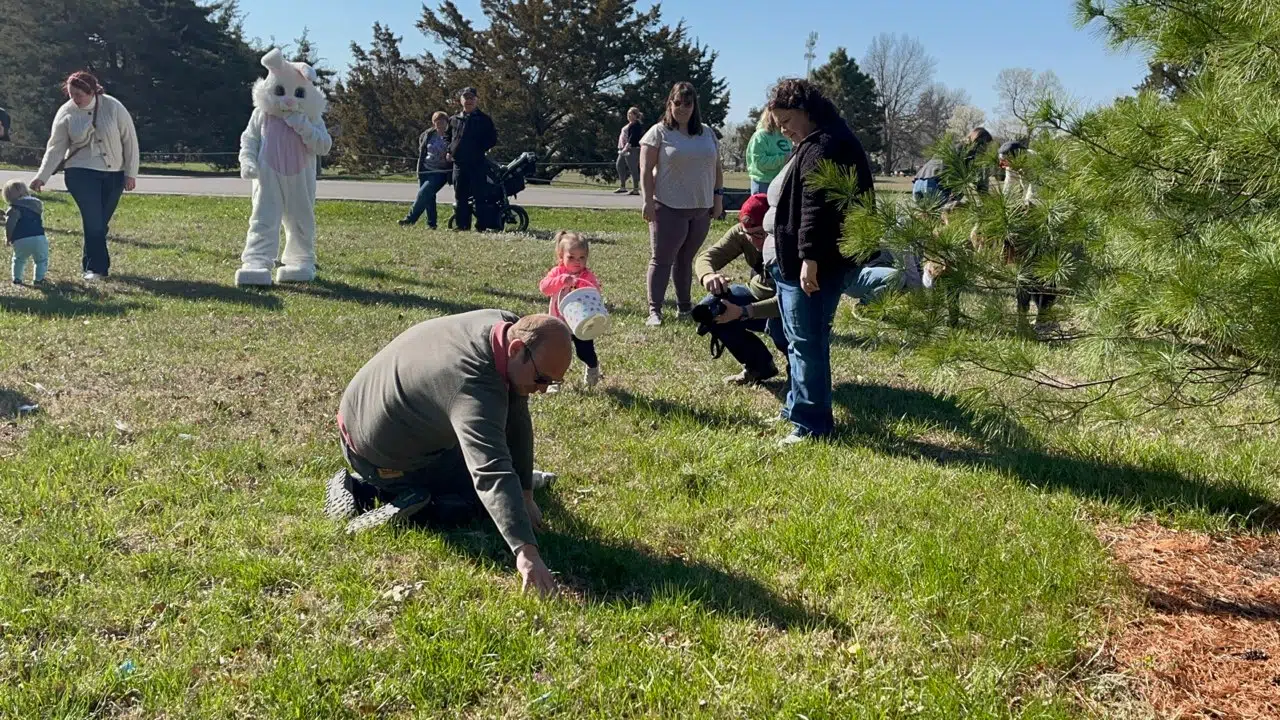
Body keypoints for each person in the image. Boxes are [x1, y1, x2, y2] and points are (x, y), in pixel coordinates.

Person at [327, 310, 573, 597]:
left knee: (505, 488)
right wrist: (526, 552)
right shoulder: (472, 384)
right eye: (542, 379)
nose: (542, 390)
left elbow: (516, 411)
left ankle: (401, 487)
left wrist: (525, 491)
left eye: (551, 383)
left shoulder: (503, 324)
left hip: (368, 421)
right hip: (378, 454)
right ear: (517, 349)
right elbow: (490, 471)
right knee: (476, 502)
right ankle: (366, 492)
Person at [763, 78, 877, 445]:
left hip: (814, 264)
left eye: (786, 121)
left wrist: (809, 258)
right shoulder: (822, 139)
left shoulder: (826, 145)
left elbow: (817, 205)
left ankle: (812, 424)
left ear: (805, 111)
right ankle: (796, 406)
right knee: (798, 340)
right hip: (798, 262)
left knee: (807, 342)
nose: (784, 130)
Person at [30, 71, 138, 281]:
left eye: (79, 94)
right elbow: (55, 147)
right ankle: (96, 269)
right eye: (71, 94)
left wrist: (130, 173)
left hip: (113, 174)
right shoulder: (66, 112)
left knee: (99, 222)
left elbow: (130, 141)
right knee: (93, 221)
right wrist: (42, 175)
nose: (75, 99)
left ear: (92, 92)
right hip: (80, 172)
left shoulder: (113, 106)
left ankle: (92, 264)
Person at [640, 82, 724, 327]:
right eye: (678, 103)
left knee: (686, 259)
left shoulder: (707, 132)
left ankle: (684, 307)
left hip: (701, 208)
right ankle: (654, 311)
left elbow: (717, 167)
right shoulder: (658, 132)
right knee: (662, 259)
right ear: (670, 104)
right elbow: (645, 170)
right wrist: (646, 201)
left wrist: (718, 198)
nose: (683, 108)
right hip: (667, 207)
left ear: (694, 106)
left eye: (688, 104)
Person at [691, 193, 789, 385]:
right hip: (755, 294)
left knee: (782, 328)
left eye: (761, 234)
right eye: (748, 234)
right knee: (712, 310)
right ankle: (759, 366)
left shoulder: (789, 239)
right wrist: (709, 276)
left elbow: (790, 300)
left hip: (787, 305)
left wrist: (744, 312)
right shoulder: (743, 233)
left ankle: (799, 379)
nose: (755, 240)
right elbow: (707, 257)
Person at [538, 231, 604, 390]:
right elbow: (544, 288)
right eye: (571, 257)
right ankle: (554, 381)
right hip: (558, 322)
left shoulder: (587, 276)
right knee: (556, 354)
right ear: (561, 257)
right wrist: (562, 281)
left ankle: (592, 366)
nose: (577, 262)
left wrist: (582, 285)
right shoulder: (556, 273)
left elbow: (595, 292)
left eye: (582, 257)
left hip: (581, 322)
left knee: (584, 351)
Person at [445, 87, 498, 231]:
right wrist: (449, 150)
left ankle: (482, 226)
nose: (468, 101)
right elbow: (448, 137)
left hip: (477, 164)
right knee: (460, 196)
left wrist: (479, 148)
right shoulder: (454, 119)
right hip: (459, 164)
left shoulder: (484, 119)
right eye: (466, 98)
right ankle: (462, 226)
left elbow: (492, 139)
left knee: (480, 196)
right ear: (461, 100)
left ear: (476, 100)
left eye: (471, 98)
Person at [911, 127, 993, 206]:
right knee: (946, 215)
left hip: (918, 182)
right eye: (986, 145)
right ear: (979, 141)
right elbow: (978, 186)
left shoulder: (953, 147)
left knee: (927, 218)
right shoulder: (970, 154)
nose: (986, 149)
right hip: (935, 183)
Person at [399, 111, 452, 228]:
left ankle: (410, 219)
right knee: (429, 198)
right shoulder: (427, 135)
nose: (440, 124)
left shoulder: (451, 136)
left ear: (447, 122)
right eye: (437, 121)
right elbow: (422, 150)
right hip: (425, 169)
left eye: (443, 121)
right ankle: (431, 224)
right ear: (433, 123)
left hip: (441, 172)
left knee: (424, 193)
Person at [5, 179, 48, 285]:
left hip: (20, 238)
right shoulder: (37, 205)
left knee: (19, 259)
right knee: (41, 260)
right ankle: (39, 279)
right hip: (39, 237)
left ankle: (17, 278)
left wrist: (8, 238)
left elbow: (10, 225)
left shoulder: (13, 209)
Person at [745, 111, 792, 195]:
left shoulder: (785, 136)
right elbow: (759, 162)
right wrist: (783, 159)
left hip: (782, 182)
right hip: (763, 183)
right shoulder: (760, 136)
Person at [614, 107, 644, 195]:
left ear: (636, 115)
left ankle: (635, 188)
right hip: (623, 148)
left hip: (631, 149)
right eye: (628, 114)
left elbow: (632, 138)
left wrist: (626, 147)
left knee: (633, 168)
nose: (629, 115)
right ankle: (623, 186)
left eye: (631, 114)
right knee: (619, 165)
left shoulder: (636, 125)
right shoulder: (630, 124)